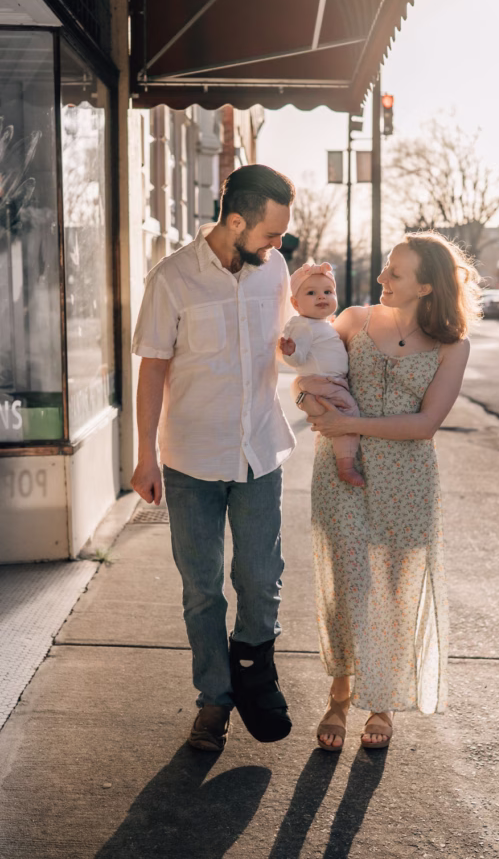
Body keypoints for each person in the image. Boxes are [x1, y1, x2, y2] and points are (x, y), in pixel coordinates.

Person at [131, 164, 296, 753]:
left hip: (260, 451)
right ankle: (214, 700)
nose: (280, 245)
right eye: (272, 234)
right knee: (202, 589)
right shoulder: (172, 278)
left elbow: (287, 342)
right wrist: (144, 456)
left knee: (260, 578)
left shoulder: (273, 270)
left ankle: (253, 672)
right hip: (191, 461)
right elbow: (153, 367)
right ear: (234, 221)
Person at [307, 231, 479, 751]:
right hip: (343, 474)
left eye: (395, 273)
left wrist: (351, 426)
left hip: (408, 480)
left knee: (394, 593)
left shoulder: (453, 346)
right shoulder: (354, 320)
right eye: (384, 268)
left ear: (427, 288)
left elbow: (427, 424)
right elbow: (309, 374)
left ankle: (380, 704)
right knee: (349, 584)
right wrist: (311, 404)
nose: (381, 278)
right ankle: (339, 696)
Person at [279, 261, 364, 488]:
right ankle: (345, 466)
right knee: (348, 413)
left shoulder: (319, 324)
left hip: (327, 382)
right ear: (295, 303)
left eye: (328, 291)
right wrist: (291, 352)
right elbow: (298, 360)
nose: (321, 297)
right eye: (311, 293)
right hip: (320, 382)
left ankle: (344, 458)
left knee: (339, 414)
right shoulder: (303, 326)